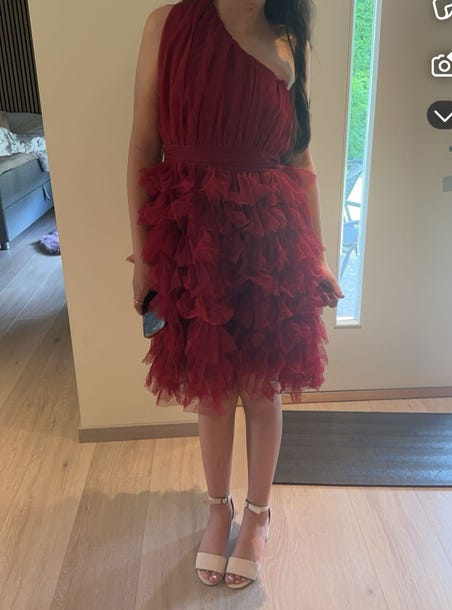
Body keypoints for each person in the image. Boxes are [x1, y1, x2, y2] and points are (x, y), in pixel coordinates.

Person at [126, 0, 344, 590]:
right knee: (213, 391)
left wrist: (318, 255)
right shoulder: (166, 25)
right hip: (193, 238)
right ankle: (218, 509)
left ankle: (258, 516)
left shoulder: (288, 36)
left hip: (270, 242)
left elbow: (299, 158)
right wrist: (145, 256)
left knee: (262, 389)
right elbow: (143, 148)